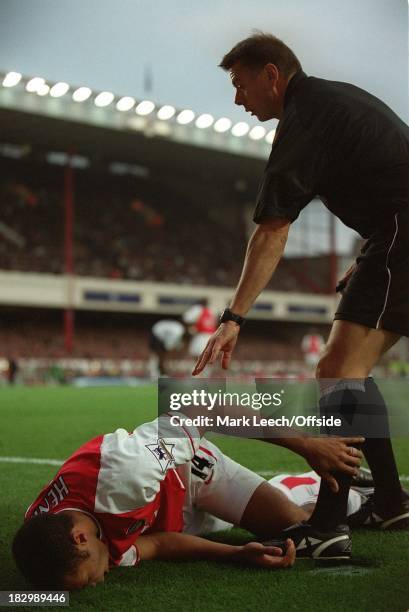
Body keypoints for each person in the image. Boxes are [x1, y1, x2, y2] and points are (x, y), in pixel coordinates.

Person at [192, 33, 409, 553]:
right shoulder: (329, 103)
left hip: (401, 235)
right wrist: (369, 258)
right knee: (349, 372)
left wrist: (233, 318)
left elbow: (271, 231)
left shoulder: (305, 119)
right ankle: (390, 501)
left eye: (241, 85)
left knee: (336, 374)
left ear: (273, 75)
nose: (238, 100)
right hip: (393, 235)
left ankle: (329, 525)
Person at [12, 406, 364, 590]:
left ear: (80, 537)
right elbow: (157, 546)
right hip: (163, 517)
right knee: (300, 531)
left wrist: (306, 444)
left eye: (90, 578)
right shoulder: (56, 542)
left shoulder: (126, 474)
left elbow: (205, 409)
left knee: (300, 524)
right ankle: (341, 496)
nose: (101, 580)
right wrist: (237, 554)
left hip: (187, 473)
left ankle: (313, 484)